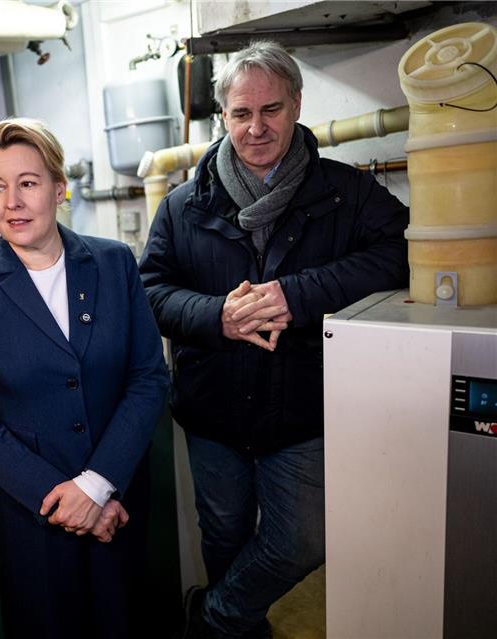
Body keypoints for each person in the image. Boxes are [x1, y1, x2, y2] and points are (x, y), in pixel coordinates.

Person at [139, 41, 408, 638]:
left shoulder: (346, 191)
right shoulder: (184, 205)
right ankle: (241, 629)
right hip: (214, 410)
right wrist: (218, 317)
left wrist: (299, 293)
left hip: (304, 410)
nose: (256, 127)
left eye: (271, 110)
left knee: (303, 541)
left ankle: (215, 617)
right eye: (241, 114)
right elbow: (150, 291)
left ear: (296, 106)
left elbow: (399, 254)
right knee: (226, 537)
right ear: (223, 117)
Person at [0, 118, 170, 639]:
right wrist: (64, 498)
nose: (12, 202)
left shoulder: (112, 264)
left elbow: (146, 379)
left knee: (125, 621)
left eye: (27, 183)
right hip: (33, 515)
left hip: (117, 501)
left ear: (59, 188)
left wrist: (96, 486)